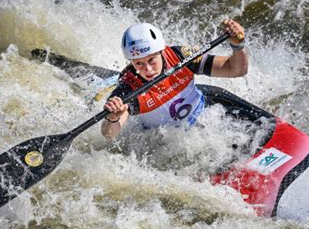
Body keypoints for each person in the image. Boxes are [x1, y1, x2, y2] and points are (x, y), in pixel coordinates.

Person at [101, 19, 248, 139]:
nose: (148, 70)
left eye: (152, 60)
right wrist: (113, 116)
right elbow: (108, 135)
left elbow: (237, 70)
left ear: (162, 51)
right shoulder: (128, 87)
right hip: (166, 138)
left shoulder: (180, 56)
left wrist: (237, 45)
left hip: (205, 111)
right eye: (139, 63)